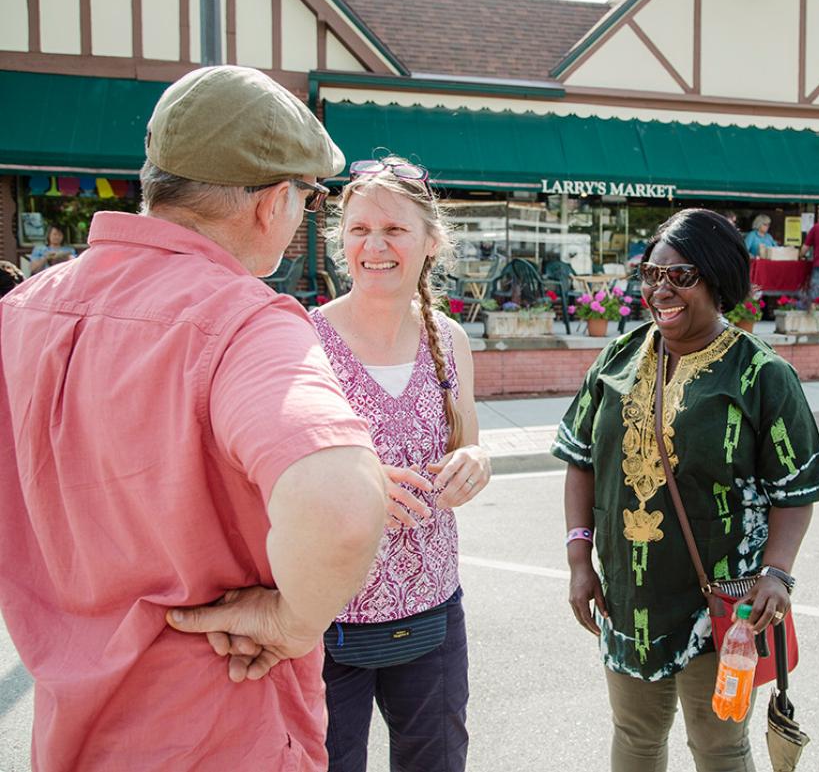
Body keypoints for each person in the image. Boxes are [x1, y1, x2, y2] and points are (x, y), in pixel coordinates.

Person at [0, 65, 432, 771]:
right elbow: (344, 504)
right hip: (223, 730)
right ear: (270, 204)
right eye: (307, 195)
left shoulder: (24, 312)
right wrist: (293, 622)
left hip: (69, 735)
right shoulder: (242, 321)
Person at [553, 208, 819, 772]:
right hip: (628, 602)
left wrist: (777, 573)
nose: (662, 289)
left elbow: (795, 489)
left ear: (718, 279)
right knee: (634, 737)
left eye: (681, 276)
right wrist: (579, 560)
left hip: (724, 607)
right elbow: (580, 461)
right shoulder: (619, 357)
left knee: (719, 747)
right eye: (651, 274)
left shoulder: (760, 374)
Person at [313, 154, 490, 772]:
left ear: (430, 241)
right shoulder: (304, 341)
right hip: (327, 615)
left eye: (394, 230)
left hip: (433, 609)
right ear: (342, 242)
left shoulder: (450, 340)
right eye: (359, 229)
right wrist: (358, 487)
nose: (375, 245)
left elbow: (465, 442)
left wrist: (475, 461)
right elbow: (265, 476)